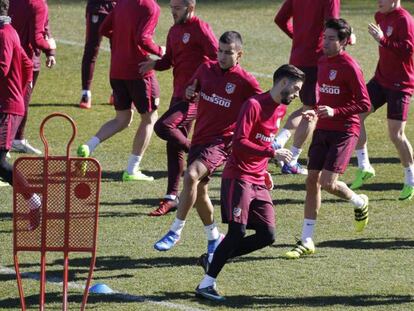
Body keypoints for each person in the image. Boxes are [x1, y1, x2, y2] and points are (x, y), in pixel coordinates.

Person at [194, 65, 304, 302]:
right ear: (283, 83)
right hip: (239, 177)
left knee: (267, 234)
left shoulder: (279, 109)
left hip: (257, 179)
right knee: (237, 232)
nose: (296, 94)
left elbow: (262, 140)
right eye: (295, 88)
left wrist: (264, 170)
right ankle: (206, 285)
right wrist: (271, 154)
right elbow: (240, 142)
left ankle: (212, 260)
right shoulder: (254, 105)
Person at [153, 31, 262, 263]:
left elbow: (262, 107)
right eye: (220, 51)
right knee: (200, 192)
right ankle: (214, 237)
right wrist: (191, 92)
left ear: (239, 54)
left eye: (228, 53)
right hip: (200, 137)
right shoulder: (205, 69)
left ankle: (175, 231)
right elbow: (190, 90)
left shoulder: (245, 81)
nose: (222, 56)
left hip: (221, 142)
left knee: (190, 176)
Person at [284, 18, 371, 259]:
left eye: (332, 39)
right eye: (325, 37)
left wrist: (336, 112)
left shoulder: (350, 66)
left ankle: (359, 201)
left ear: (343, 42)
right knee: (312, 180)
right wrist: (318, 109)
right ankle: (307, 239)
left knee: (328, 183)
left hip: (345, 131)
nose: (326, 42)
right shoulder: (322, 61)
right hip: (323, 128)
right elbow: (327, 95)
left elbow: (364, 103)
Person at [139, 0, 218, 216]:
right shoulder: (174, 31)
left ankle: (200, 154)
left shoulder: (200, 28)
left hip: (195, 98)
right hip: (178, 95)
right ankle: (171, 197)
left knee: (163, 127)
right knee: (173, 145)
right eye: (171, 7)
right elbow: (169, 61)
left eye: (177, 8)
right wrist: (155, 63)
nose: (172, 12)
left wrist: (199, 85)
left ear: (190, 7)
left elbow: (217, 59)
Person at [77, 0, 164, 182]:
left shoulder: (122, 3)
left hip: (116, 70)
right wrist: (161, 51)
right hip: (139, 71)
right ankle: (132, 170)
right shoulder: (151, 7)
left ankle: (88, 146)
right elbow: (144, 39)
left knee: (122, 118)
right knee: (149, 119)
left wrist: (121, 42)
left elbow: (103, 29)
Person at [350, 0, 414, 201]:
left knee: (396, 135)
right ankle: (364, 166)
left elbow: (408, 50)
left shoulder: (405, 20)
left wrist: (382, 39)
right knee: (355, 115)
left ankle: (410, 179)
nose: (378, 1)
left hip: (400, 85)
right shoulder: (380, 16)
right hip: (380, 80)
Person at [273, 0, 340, 175]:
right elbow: (333, 25)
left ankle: (279, 141)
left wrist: (297, 37)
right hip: (316, 60)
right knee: (313, 111)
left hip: (297, 57)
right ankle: (292, 160)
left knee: (308, 107)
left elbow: (280, 19)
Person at [0, 0, 41, 229]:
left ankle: (35, 201)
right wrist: (21, 89)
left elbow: (2, 67)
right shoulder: (9, 31)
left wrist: (15, 96)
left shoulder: (5, 33)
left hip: (7, 108)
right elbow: (26, 64)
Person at [9, 0, 57, 155]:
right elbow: (37, 38)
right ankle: (10, 141)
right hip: (26, 62)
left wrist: (50, 54)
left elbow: (45, 26)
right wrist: (50, 48)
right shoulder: (38, 4)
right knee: (19, 103)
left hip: (7, 54)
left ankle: (16, 139)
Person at [79, 0, 117, 109]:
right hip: (96, 7)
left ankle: (117, 93)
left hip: (116, 7)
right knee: (91, 51)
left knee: (118, 51)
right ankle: (85, 94)